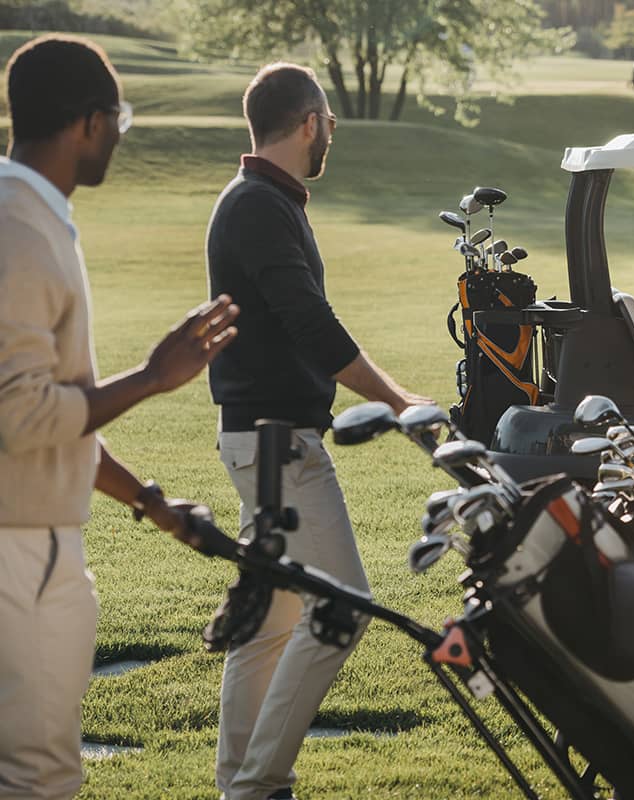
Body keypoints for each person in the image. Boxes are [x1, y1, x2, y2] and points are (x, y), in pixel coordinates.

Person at [0, 35, 240, 799]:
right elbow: (23, 417)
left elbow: (52, 415)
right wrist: (152, 377)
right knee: (40, 777)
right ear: (89, 124)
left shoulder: (29, 217)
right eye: (119, 119)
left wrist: (149, 504)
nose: (119, 137)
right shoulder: (20, 231)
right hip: (20, 549)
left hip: (35, 541)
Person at [205, 62, 432, 800]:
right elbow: (310, 324)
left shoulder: (264, 200)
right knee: (341, 607)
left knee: (271, 623)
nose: (330, 131)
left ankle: (243, 784)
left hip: (265, 442)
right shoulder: (259, 207)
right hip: (277, 445)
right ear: (309, 122)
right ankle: (261, 781)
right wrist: (400, 401)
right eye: (328, 121)